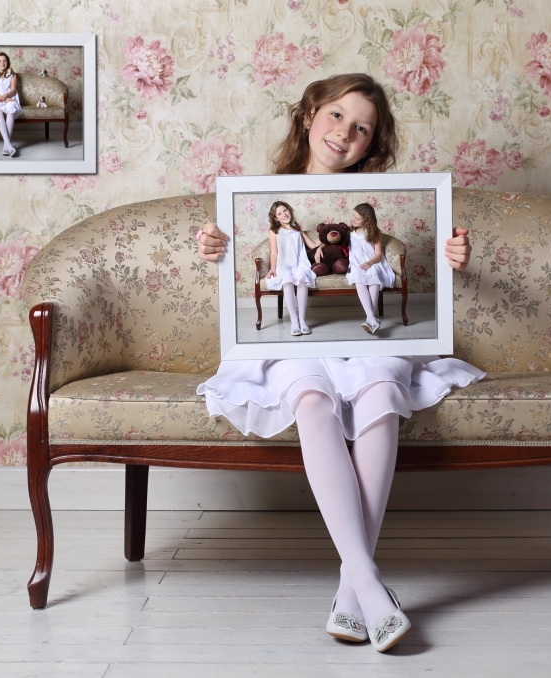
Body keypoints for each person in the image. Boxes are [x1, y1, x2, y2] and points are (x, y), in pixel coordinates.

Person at [195, 73, 483, 652]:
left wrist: (455, 257)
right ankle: (370, 585)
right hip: (298, 341)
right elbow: (251, 266)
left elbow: (386, 257)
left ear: (371, 143)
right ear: (309, 115)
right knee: (311, 398)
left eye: (362, 129)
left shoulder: (370, 211)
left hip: (364, 336)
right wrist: (212, 247)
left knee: (381, 392)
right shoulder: (261, 198)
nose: (344, 133)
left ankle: (354, 592)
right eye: (335, 116)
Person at [264, 200, 321, 336]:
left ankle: (302, 320)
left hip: (300, 262)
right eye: (279, 213)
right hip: (284, 263)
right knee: (287, 281)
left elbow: (313, 245)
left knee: (302, 279)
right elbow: (274, 252)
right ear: (275, 218)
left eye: (285, 210)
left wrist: (326, 235)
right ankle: (294, 321)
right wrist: (273, 269)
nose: (284, 214)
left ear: (289, 211)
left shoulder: (297, 229)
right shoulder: (274, 231)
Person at [345, 203, 394, 334]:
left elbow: (378, 254)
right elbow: (332, 239)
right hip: (356, 264)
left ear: (367, 220)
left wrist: (370, 262)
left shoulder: (375, 233)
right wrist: (320, 248)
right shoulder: (349, 232)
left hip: (373, 262)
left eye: (357, 218)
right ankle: (372, 318)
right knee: (357, 275)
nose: (353, 219)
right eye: (353, 216)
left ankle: (370, 319)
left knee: (374, 273)